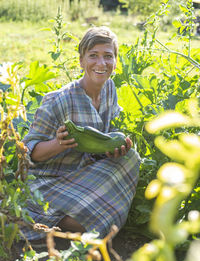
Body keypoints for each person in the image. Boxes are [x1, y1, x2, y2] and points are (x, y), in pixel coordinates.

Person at [21, 26, 141, 243]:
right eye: (93, 56)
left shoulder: (110, 89)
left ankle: (63, 221)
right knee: (97, 224)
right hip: (47, 183)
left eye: (108, 56)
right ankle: (55, 220)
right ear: (81, 61)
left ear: (115, 60)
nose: (101, 63)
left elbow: (98, 142)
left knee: (131, 158)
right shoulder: (59, 100)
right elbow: (29, 154)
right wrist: (59, 144)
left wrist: (111, 151)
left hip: (81, 176)